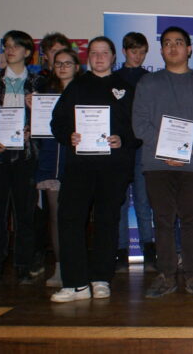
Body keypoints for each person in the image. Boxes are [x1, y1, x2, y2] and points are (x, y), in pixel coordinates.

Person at [132, 27, 193, 298]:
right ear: (161, 50)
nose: (173, 48)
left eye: (179, 42)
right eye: (167, 43)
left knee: (192, 220)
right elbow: (139, 125)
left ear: (189, 49)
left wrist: (185, 153)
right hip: (157, 164)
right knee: (163, 220)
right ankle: (166, 274)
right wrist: (167, 150)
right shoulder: (148, 83)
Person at [49, 37, 136, 302]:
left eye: (104, 52)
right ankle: (75, 283)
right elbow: (57, 122)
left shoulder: (126, 88)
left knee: (107, 222)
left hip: (113, 167)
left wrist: (123, 139)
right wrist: (69, 135)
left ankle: (101, 279)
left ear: (114, 57)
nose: (99, 57)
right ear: (88, 58)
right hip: (80, 166)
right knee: (70, 219)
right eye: (94, 53)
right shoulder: (77, 86)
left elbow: (139, 126)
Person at [0, 30, 44, 287]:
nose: (10, 50)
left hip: (26, 157)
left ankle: (23, 267)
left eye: (16, 46)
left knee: (25, 216)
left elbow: (49, 119)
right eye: (7, 46)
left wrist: (32, 128)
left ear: (28, 52)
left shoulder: (38, 83)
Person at [35, 48, 82, 288]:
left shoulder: (85, 91)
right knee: (55, 215)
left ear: (77, 67)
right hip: (51, 159)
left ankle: (78, 267)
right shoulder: (44, 94)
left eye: (67, 63)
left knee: (76, 216)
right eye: (58, 64)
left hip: (79, 160)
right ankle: (60, 266)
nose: (63, 67)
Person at [113, 32, 156, 273]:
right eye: (133, 51)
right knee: (119, 201)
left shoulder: (150, 79)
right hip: (119, 148)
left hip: (143, 147)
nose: (138, 56)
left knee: (143, 201)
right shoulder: (114, 78)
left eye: (142, 52)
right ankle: (121, 253)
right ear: (124, 51)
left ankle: (149, 252)